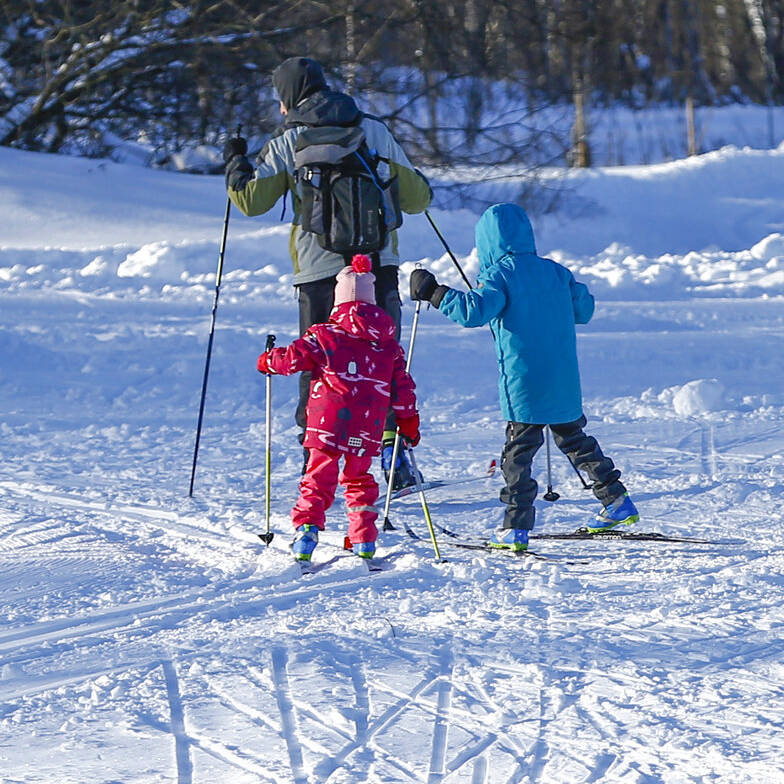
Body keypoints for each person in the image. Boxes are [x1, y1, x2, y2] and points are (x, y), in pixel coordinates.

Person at [225, 56, 432, 485]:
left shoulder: (288, 140)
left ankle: (314, 459)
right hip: (377, 266)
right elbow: (416, 200)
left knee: (319, 362)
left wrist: (236, 166)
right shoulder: (372, 129)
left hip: (318, 272)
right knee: (383, 362)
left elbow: (250, 202)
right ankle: (395, 457)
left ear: (288, 98)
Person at [409, 202, 638, 551]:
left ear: (487, 242)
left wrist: (434, 292)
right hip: (563, 379)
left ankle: (515, 527)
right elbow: (585, 309)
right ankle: (617, 501)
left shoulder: (500, 275)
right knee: (576, 441)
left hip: (524, 382)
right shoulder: (556, 272)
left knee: (518, 455)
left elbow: (473, 312)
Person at [258, 255, 420, 562]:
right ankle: (364, 540)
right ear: (373, 304)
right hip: (366, 428)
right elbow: (403, 387)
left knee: (318, 478)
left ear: (338, 301)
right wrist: (408, 419)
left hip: (326, 425)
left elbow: (291, 359)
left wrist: (267, 360)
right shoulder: (387, 346)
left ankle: (306, 532)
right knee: (358, 481)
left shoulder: (323, 335)